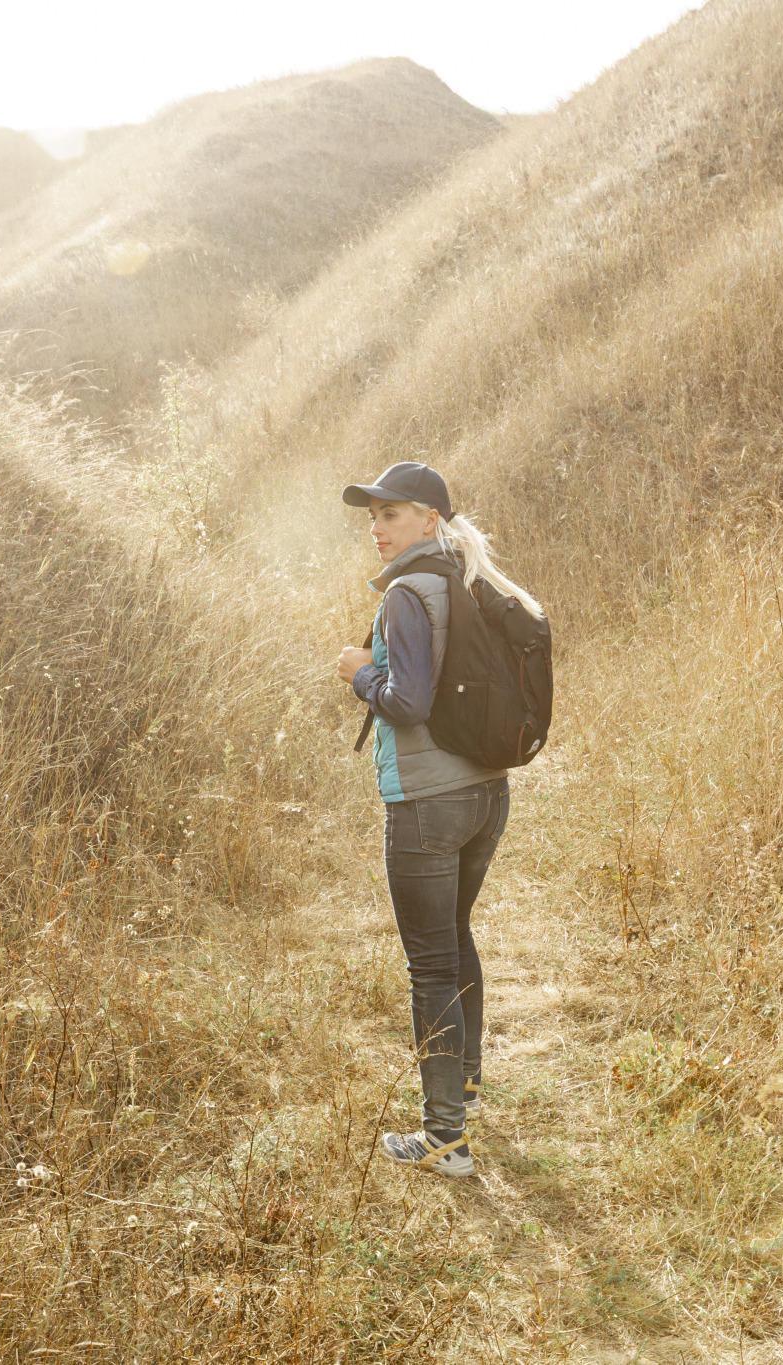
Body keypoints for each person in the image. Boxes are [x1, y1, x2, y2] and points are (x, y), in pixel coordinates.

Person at [334, 461, 546, 1179]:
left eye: (392, 514)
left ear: (430, 520)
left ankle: (444, 1138)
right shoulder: (472, 582)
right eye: (374, 515)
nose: (377, 527)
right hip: (488, 793)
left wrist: (359, 671)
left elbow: (408, 701)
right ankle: (467, 1079)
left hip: (426, 801)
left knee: (430, 962)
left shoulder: (406, 595)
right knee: (454, 937)